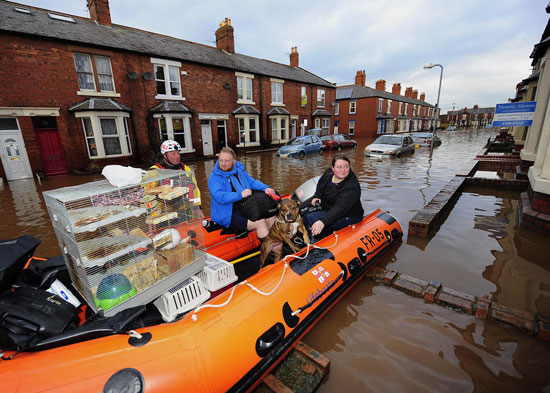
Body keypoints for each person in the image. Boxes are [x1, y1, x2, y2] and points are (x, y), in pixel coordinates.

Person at [208, 147, 276, 239]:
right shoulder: (215, 177)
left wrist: (265, 188)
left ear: (234, 161)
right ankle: (270, 251)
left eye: (227, 161)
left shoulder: (238, 171)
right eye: (221, 160)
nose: (223, 164)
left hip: (243, 207)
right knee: (260, 222)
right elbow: (220, 197)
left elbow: (251, 182)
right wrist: (240, 195)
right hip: (227, 214)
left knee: (271, 216)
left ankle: (275, 244)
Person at [304, 153, 364, 241]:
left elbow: (341, 208)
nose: (343, 170)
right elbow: (321, 184)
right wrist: (317, 196)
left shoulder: (352, 185)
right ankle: (311, 235)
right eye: (339, 167)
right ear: (333, 168)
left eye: (346, 167)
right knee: (305, 212)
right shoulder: (328, 173)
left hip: (348, 215)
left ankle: (317, 244)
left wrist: (323, 221)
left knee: (312, 218)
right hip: (330, 207)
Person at [150, 139, 203, 217]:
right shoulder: (155, 172)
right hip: (165, 213)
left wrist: (197, 208)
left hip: (185, 210)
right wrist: (151, 215)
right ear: (165, 155)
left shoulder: (185, 169)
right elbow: (147, 194)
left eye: (178, 153)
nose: (177, 156)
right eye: (173, 154)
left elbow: (194, 190)